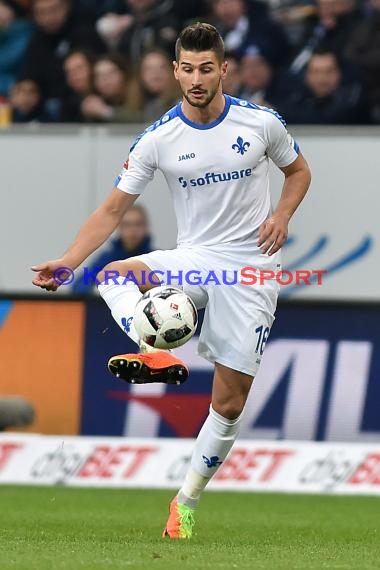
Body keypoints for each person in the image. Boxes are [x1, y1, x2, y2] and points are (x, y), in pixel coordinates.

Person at [31, 23, 311, 538]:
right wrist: (68, 261)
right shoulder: (159, 137)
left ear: (223, 69)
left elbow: (299, 173)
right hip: (196, 256)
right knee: (113, 273)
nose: (197, 78)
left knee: (228, 403)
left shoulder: (261, 123)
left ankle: (185, 501)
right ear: (176, 70)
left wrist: (283, 216)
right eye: (188, 68)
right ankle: (151, 342)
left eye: (207, 68)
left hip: (250, 267)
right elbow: (113, 209)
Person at [72, 205, 153, 294]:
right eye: (127, 225)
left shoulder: (154, 258)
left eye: (138, 224)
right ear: (119, 228)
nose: (133, 230)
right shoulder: (106, 259)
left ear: (146, 227)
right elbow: (79, 286)